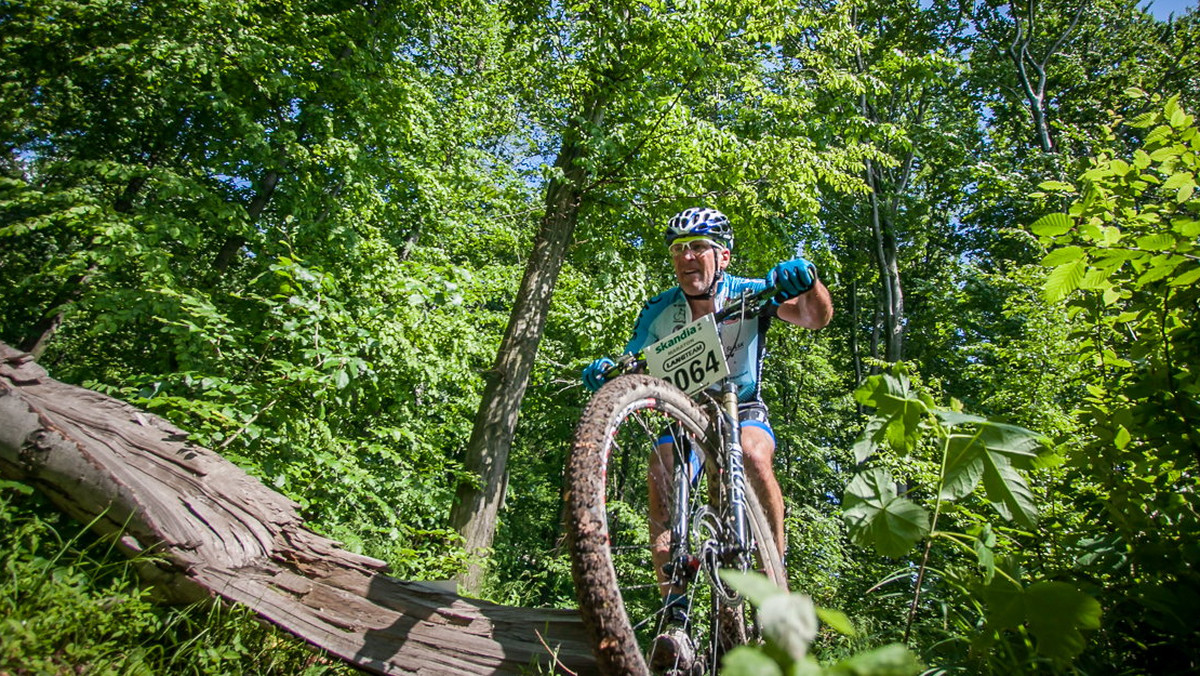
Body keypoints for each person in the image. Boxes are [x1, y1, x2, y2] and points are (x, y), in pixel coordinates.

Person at [581, 206, 833, 673]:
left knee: (756, 456)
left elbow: (815, 318)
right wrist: (607, 371)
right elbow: (632, 357)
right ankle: (673, 615)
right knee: (661, 471)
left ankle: (775, 572)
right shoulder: (660, 310)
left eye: (698, 247)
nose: (687, 257)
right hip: (683, 412)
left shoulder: (752, 292)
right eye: (679, 249)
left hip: (741, 405)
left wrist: (809, 282)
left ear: (724, 256)